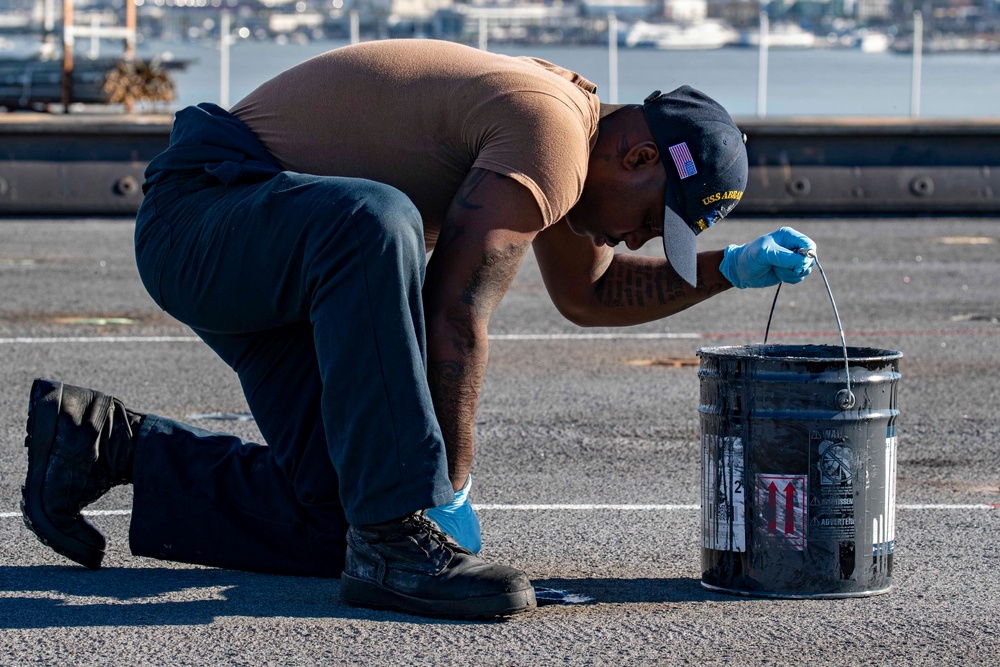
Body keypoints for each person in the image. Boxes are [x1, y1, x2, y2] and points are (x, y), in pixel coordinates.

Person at [19, 39, 815, 620]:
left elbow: (592, 297)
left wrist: (728, 269)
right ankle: (399, 541)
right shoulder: (552, 132)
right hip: (205, 214)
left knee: (337, 513)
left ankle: (99, 444)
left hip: (289, 260)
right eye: (653, 220)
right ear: (638, 154)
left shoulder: (574, 156)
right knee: (376, 221)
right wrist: (441, 497)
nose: (641, 240)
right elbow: (456, 311)